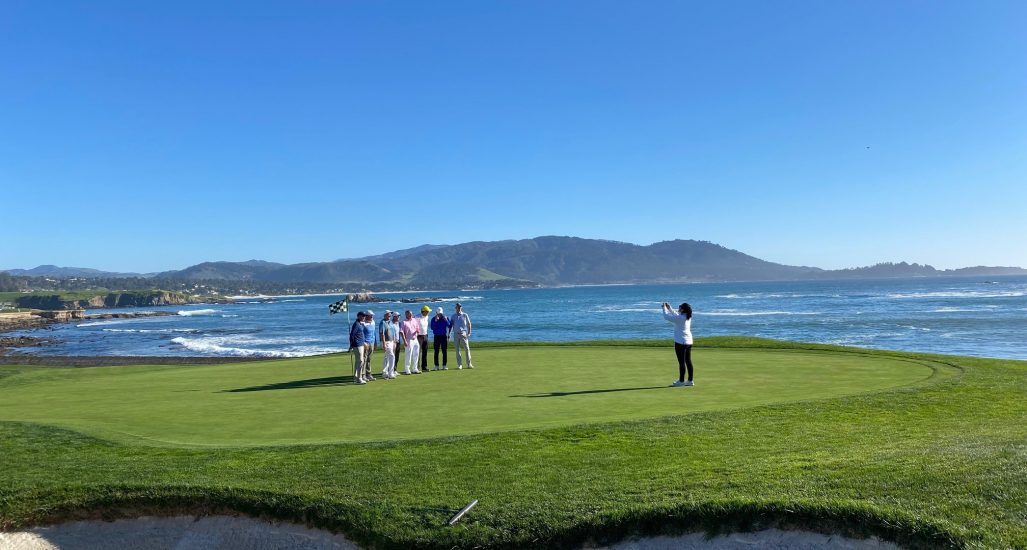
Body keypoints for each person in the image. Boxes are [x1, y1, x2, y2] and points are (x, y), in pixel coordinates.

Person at [662, 302, 694, 387]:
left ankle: (681, 381)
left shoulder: (680, 318)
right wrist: (670, 309)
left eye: (679, 307)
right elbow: (677, 316)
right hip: (688, 341)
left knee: (681, 362)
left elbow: (666, 317)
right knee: (688, 361)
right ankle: (690, 380)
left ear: (683, 309)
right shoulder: (687, 316)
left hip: (680, 342)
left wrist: (664, 308)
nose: (678, 308)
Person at [448, 302, 474, 369]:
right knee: (457, 350)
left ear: (461, 308)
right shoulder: (453, 316)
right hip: (456, 334)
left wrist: (469, 332)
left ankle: (469, 364)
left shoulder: (465, 315)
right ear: (455, 308)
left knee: (467, 349)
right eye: (457, 307)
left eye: (460, 307)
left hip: (463, 334)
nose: (459, 308)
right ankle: (459, 365)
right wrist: (449, 334)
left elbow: (469, 324)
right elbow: (451, 326)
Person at [400, 309, 422, 375]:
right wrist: (404, 341)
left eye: (411, 314)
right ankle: (407, 369)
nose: (411, 315)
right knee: (408, 355)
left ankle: (415, 368)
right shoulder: (403, 322)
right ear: (406, 314)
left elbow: (417, 328)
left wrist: (417, 331)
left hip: (415, 339)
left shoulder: (414, 320)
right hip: (408, 340)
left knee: (416, 354)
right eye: (409, 314)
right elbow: (401, 332)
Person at [349, 311, 368, 385]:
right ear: (358, 316)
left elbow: (359, 334)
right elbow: (352, 335)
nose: (364, 317)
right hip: (357, 345)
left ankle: (356, 377)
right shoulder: (356, 324)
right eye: (362, 316)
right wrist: (351, 345)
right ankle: (359, 378)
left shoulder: (360, 324)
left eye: (364, 316)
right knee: (360, 361)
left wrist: (364, 342)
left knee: (358, 361)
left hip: (361, 344)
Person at [379, 310, 398, 379]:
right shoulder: (383, 322)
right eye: (388, 314)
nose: (390, 316)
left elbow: (393, 332)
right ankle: (390, 373)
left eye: (390, 315)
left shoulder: (390, 322)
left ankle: (385, 373)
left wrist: (394, 342)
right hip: (386, 342)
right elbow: (382, 334)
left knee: (386, 357)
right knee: (392, 356)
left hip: (391, 341)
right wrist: (384, 344)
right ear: (385, 315)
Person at [362, 311, 377, 381]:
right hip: (365, 343)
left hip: (372, 343)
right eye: (371, 316)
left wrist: (375, 342)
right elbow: (361, 334)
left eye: (372, 316)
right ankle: (363, 375)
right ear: (367, 316)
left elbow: (374, 333)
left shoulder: (373, 322)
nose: (372, 317)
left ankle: (368, 374)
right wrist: (364, 342)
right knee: (364, 359)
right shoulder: (363, 323)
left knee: (369, 359)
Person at [417, 305, 431, 372]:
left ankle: (424, 367)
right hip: (419, 336)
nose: (428, 312)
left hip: (425, 335)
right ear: (424, 311)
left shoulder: (427, 317)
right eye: (427, 311)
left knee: (425, 352)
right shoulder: (417, 317)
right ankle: (417, 367)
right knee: (418, 352)